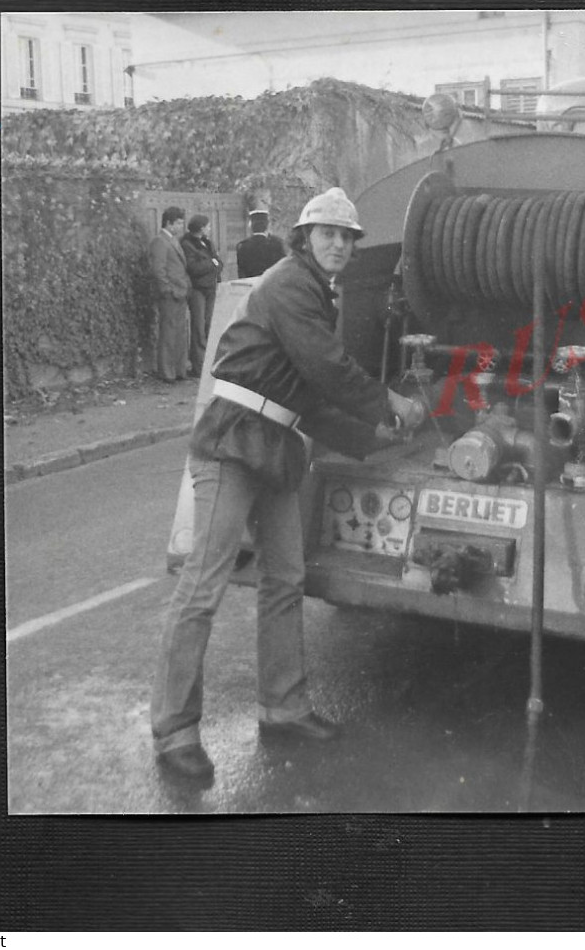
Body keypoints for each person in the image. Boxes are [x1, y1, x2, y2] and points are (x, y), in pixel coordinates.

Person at [150, 187, 427, 786]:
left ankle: (284, 708)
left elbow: (308, 397)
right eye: (326, 233)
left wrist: (377, 437)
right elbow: (328, 369)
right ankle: (174, 731)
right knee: (203, 585)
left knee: (286, 578)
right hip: (231, 440)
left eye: (346, 237)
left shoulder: (315, 292)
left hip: (274, 445)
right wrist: (392, 402)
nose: (337, 244)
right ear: (304, 237)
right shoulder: (290, 285)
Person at [149, 206, 192, 381]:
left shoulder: (173, 240)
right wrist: (168, 290)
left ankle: (179, 370)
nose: (182, 226)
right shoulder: (159, 241)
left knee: (180, 334)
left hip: (180, 293)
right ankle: (167, 372)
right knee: (168, 333)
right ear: (169, 223)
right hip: (171, 295)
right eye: (179, 223)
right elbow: (158, 270)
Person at [181, 214, 223, 374]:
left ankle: (209, 363)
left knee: (209, 325)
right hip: (197, 289)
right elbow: (194, 268)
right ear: (200, 228)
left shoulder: (207, 242)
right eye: (208, 226)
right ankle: (198, 365)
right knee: (198, 326)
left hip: (211, 288)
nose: (210, 228)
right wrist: (211, 263)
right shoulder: (187, 244)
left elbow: (220, 263)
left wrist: (212, 264)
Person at [235, 207, 287, 279]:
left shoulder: (242, 247)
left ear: (251, 226)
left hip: (251, 287)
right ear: (267, 225)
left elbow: (242, 274)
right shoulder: (277, 244)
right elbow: (282, 269)